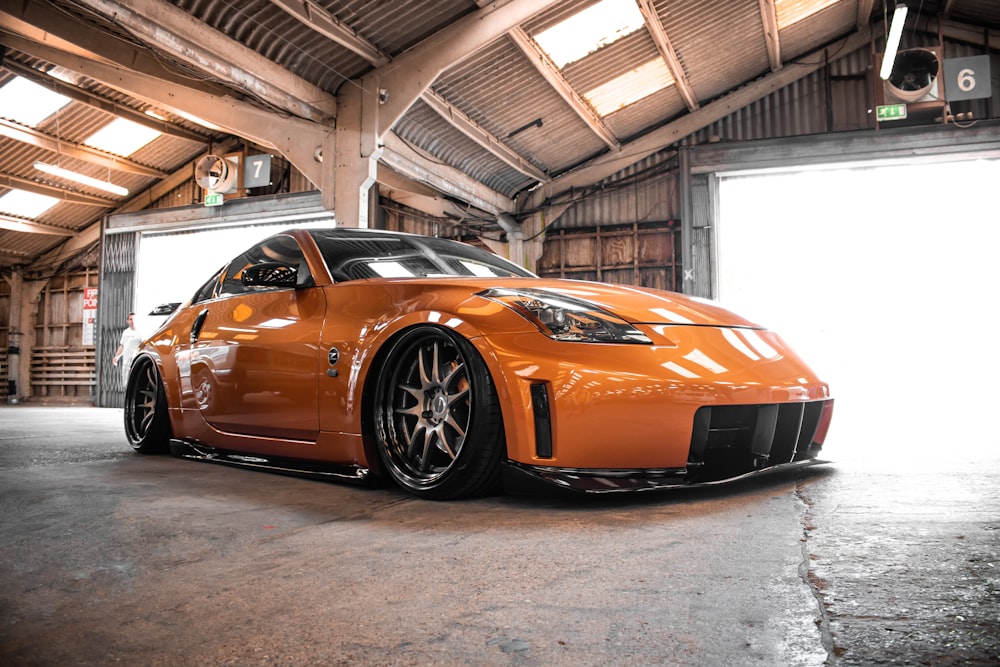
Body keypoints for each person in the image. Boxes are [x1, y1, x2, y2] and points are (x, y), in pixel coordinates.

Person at [112, 312, 142, 387]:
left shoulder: (140, 332)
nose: (132, 321)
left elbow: (143, 346)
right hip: (126, 362)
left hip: (135, 361)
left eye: (134, 319)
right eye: (131, 319)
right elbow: (122, 346)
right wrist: (116, 357)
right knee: (125, 384)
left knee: (134, 383)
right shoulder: (126, 332)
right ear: (128, 321)